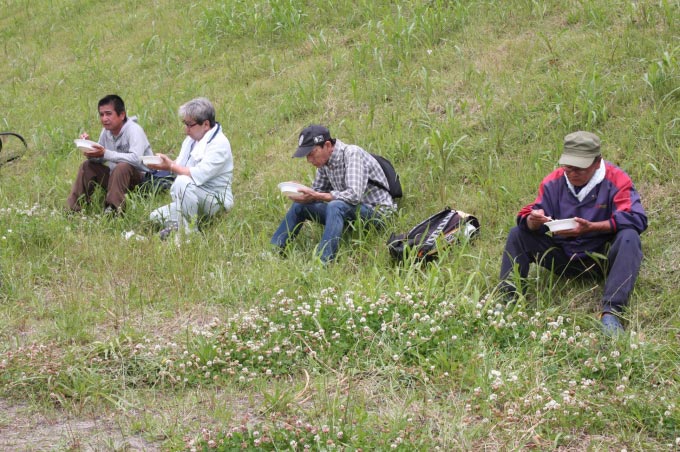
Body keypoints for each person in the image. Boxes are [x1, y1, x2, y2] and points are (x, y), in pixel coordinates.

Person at [497, 131, 647, 334]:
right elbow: (536, 216)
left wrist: (592, 227)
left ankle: (612, 312)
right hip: (564, 257)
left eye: (580, 168)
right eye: (568, 167)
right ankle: (508, 303)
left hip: (602, 260)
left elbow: (637, 218)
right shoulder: (553, 182)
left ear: (597, 162)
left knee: (629, 237)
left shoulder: (616, 179)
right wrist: (534, 221)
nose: (572, 173)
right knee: (518, 233)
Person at [271, 125, 396, 263]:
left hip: (377, 214)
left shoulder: (352, 154)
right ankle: (274, 251)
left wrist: (317, 196)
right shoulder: (324, 164)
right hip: (351, 213)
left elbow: (354, 196)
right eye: (307, 156)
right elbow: (317, 192)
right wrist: (301, 191)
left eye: (312, 154)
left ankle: (323, 261)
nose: (309, 160)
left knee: (335, 205)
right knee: (299, 206)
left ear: (328, 145)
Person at [147, 98, 234, 239]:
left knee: (182, 181)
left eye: (190, 125)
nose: (186, 130)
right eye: (185, 124)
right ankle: (182, 226)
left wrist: (170, 166)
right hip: (192, 195)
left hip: (214, 200)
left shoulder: (219, 144)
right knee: (155, 217)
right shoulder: (191, 140)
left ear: (205, 124)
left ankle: (190, 233)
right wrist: (162, 165)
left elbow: (196, 174)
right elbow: (180, 165)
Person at [67, 94, 153, 213]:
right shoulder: (106, 132)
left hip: (141, 181)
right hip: (116, 179)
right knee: (87, 166)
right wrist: (90, 150)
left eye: (108, 114)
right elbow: (101, 158)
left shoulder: (134, 130)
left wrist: (105, 152)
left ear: (122, 115)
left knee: (122, 166)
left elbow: (136, 159)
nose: (104, 118)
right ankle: (73, 209)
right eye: (101, 114)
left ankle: (113, 210)